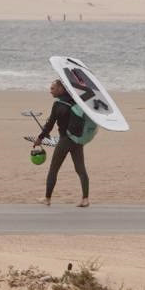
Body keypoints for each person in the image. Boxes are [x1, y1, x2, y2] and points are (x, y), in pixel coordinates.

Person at [33, 79, 91, 208]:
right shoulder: (76, 101)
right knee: (81, 169)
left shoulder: (58, 104)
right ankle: (85, 199)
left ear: (61, 89)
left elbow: (50, 124)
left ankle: (47, 198)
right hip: (77, 140)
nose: (50, 91)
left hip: (65, 140)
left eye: (53, 88)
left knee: (53, 169)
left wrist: (40, 138)